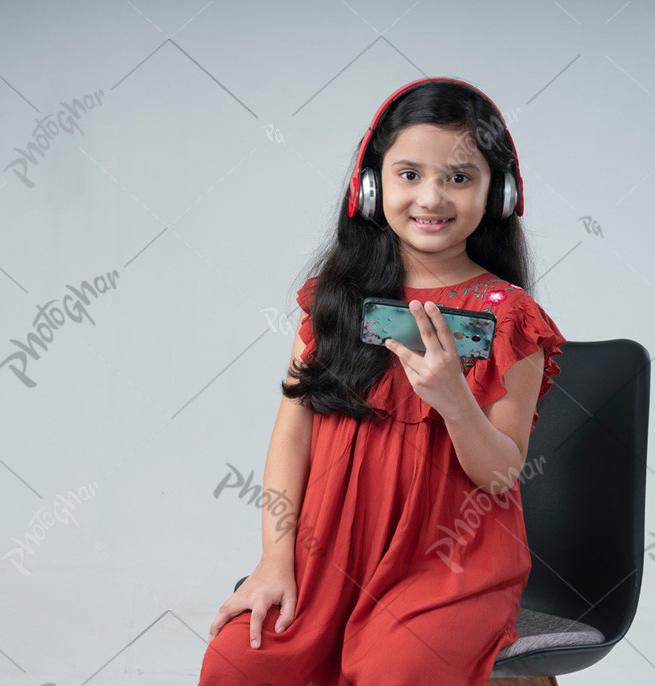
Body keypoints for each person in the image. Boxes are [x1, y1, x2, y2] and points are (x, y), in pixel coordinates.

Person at [198, 77, 566, 685]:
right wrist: (273, 560)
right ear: (371, 187)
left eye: (459, 177)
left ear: (496, 193)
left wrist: (455, 403)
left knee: (394, 673)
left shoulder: (509, 316)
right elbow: (292, 436)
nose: (432, 198)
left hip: (449, 567)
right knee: (238, 664)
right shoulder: (333, 304)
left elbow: (501, 473)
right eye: (409, 174)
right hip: (327, 559)